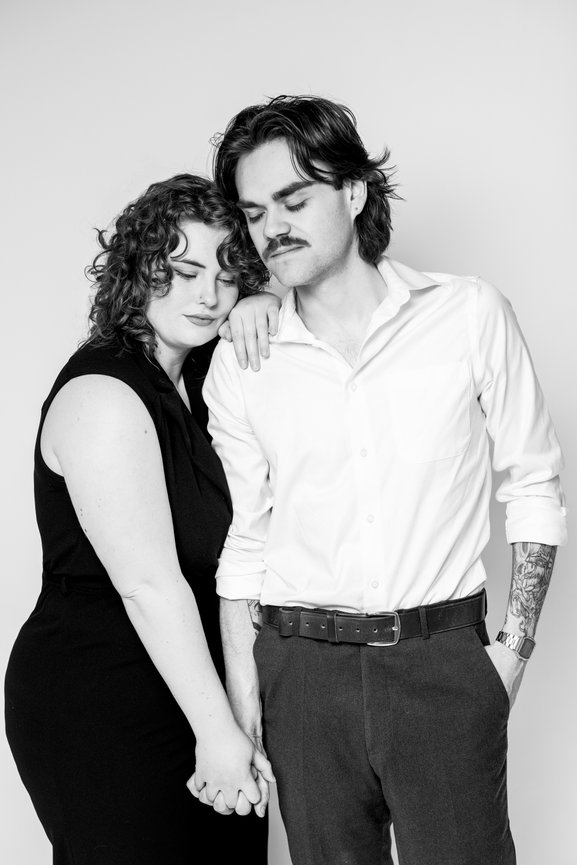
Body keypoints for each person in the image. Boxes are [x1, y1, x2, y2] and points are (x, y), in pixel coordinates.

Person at [200, 96, 568, 865]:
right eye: (255, 211)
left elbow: (532, 484)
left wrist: (511, 652)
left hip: (440, 660)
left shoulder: (467, 314)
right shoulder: (243, 356)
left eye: (294, 200)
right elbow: (247, 537)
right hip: (300, 671)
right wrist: (245, 703)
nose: (273, 227)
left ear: (355, 191)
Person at [4, 173, 276, 865]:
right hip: (103, 692)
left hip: (198, 677)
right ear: (136, 272)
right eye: (182, 270)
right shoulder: (103, 393)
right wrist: (218, 732)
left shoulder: (208, 381)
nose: (207, 294)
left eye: (225, 273)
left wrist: (268, 299)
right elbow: (150, 586)